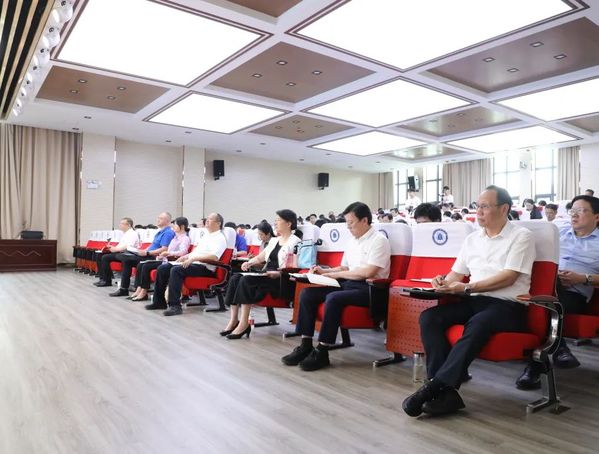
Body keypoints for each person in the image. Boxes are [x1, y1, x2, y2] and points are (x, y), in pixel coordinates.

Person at [402, 185, 535, 417]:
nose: (479, 212)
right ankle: (445, 393)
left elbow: (509, 277)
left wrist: (466, 287)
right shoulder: (472, 239)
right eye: (478, 206)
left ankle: (433, 387)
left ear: (504, 209)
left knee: (479, 323)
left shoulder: (521, 236)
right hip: (474, 300)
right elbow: (456, 274)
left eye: (485, 207)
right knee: (430, 317)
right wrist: (442, 282)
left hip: (507, 305)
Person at [281, 201, 390, 371]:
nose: (348, 227)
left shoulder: (379, 240)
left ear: (364, 220)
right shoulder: (353, 241)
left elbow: (368, 272)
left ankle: (322, 351)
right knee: (307, 294)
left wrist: (335, 275)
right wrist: (324, 271)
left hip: (369, 289)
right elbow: (344, 267)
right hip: (349, 283)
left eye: (351, 223)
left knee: (333, 298)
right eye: (347, 223)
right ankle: (305, 345)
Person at [516, 195, 599, 390]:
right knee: (541, 298)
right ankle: (560, 348)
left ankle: (535, 368)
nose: (574, 215)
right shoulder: (557, 233)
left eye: (581, 211)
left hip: (575, 294)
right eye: (572, 211)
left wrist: (583, 278)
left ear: (597, 217)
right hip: (547, 287)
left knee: (544, 304)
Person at [220, 210, 302, 339]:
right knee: (235, 278)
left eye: (278, 220)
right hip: (266, 275)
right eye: (275, 221)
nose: (275, 223)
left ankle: (244, 323)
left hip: (281, 279)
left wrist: (278, 273)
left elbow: (296, 267)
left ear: (289, 223)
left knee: (246, 280)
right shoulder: (275, 240)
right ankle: (234, 320)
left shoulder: (296, 242)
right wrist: (249, 263)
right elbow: (260, 257)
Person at [144, 212, 227, 316]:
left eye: (210, 219)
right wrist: (185, 257)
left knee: (176, 270)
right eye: (207, 218)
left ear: (218, 223)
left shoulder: (220, 238)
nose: (207, 221)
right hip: (195, 263)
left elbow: (214, 257)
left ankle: (175, 306)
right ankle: (159, 302)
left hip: (205, 267)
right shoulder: (206, 236)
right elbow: (195, 252)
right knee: (163, 268)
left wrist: (193, 259)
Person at [108, 212, 176, 297]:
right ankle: (125, 289)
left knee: (127, 259)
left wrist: (147, 252)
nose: (158, 220)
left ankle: (133, 289)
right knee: (126, 260)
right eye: (158, 218)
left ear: (167, 221)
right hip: (148, 254)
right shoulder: (160, 232)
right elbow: (152, 246)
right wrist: (143, 250)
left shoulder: (168, 232)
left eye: (161, 218)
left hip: (154, 257)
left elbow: (164, 249)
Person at [128, 217, 191, 302]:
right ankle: (139, 289)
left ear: (182, 226)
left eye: (175, 225)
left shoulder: (185, 238)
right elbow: (169, 251)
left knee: (146, 266)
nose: (173, 227)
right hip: (165, 260)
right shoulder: (175, 238)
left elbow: (183, 252)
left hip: (173, 261)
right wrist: (162, 255)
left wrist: (168, 253)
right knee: (142, 264)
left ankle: (143, 292)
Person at [93, 217, 140, 287]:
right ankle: (102, 278)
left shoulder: (133, 234)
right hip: (121, 252)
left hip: (128, 254)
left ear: (129, 225)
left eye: (122, 224)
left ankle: (107, 280)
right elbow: (120, 245)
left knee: (105, 257)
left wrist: (115, 249)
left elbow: (128, 246)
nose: (120, 225)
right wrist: (112, 247)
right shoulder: (125, 233)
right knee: (99, 255)